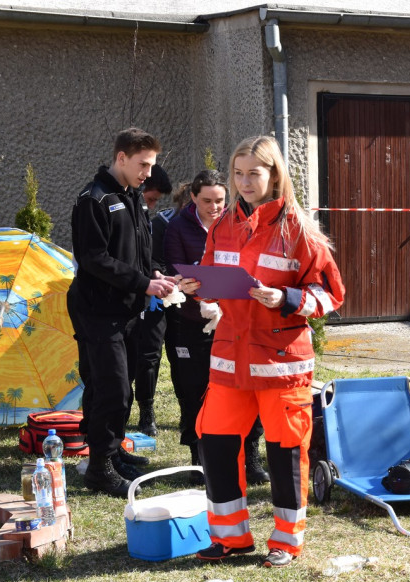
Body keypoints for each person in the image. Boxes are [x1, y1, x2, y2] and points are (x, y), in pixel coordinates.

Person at [180, 136, 345, 567]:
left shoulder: (300, 230)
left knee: (285, 451)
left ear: (274, 175)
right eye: (238, 172)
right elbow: (214, 282)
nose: (244, 181)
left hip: (281, 362)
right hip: (229, 359)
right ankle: (231, 538)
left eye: (254, 172)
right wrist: (199, 290)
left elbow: (330, 295)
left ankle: (287, 541)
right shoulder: (222, 225)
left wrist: (287, 300)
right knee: (214, 444)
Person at [68, 128, 177, 497]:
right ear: (121, 158)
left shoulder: (131, 196)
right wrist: (144, 284)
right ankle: (99, 469)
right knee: (111, 391)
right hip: (98, 310)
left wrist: (153, 274)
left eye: (151, 164)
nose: (148, 172)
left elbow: (137, 249)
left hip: (126, 309)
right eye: (143, 164)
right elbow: (95, 259)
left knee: (118, 389)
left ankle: (112, 456)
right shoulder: (94, 199)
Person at [164, 169, 267, 485]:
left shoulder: (239, 224)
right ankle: (200, 460)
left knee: (245, 388)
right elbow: (173, 270)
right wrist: (189, 284)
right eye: (207, 200)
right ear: (193, 197)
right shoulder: (177, 228)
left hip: (236, 323)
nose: (214, 207)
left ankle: (249, 458)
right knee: (194, 391)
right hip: (192, 324)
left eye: (220, 200)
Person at [126, 164, 173, 437]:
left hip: (154, 299)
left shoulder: (150, 220)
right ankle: (122, 409)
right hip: (130, 300)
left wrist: (157, 271)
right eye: (151, 198)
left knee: (151, 355)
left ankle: (147, 411)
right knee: (131, 357)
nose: (153, 205)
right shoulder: (122, 214)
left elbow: (151, 258)